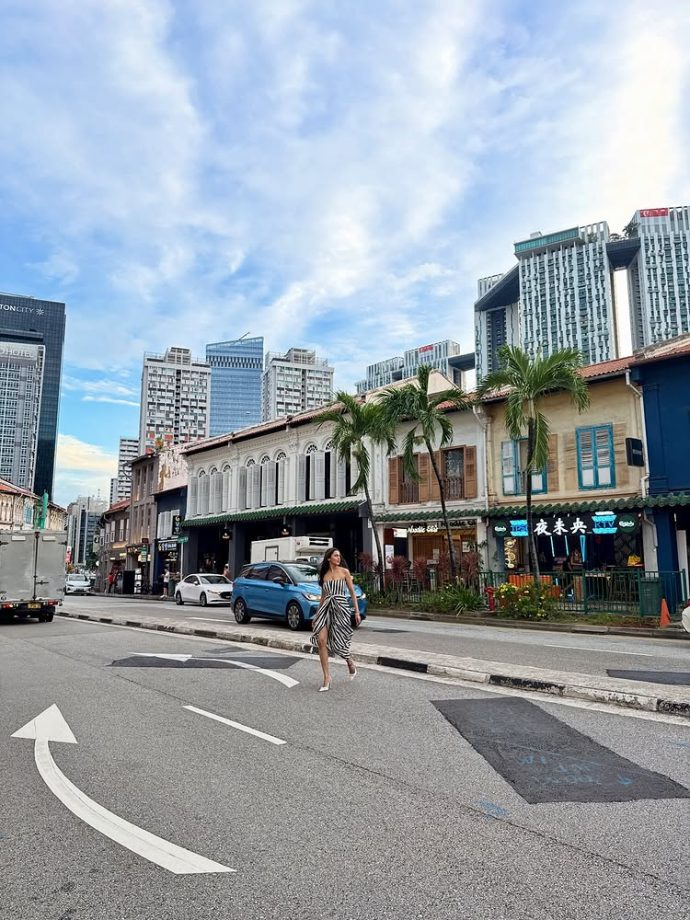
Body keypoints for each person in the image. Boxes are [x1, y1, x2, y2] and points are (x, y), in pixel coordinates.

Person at [310, 547, 361, 692]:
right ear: (329, 558)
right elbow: (323, 597)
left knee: (339, 641)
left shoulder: (344, 572)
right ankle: (327, 678)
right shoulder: (324, 575)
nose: (339, 558)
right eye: (336, 556)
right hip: (326, 608)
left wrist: (356, 612)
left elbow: (352, 593)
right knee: (321, 641)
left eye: (339, 556)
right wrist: (317, 615)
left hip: (341, 608)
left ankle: (348, 660)